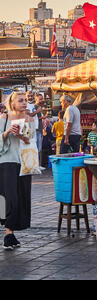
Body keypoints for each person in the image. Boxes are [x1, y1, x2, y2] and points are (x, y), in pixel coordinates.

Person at [0, 91, 36, 250]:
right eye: (20, 100)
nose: (24, 103)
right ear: (12, 103)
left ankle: (10, 232)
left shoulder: (29, 119)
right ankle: (8, 233)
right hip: (7, 161)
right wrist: (7, 132)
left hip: (24, 162)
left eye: (25, 100)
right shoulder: (4, 118)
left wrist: (22, 136)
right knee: (10, 197)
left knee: (21, 196)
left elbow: (29, 139)